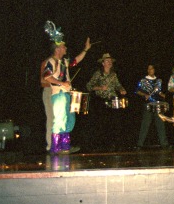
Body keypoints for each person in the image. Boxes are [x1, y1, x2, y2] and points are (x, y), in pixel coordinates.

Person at [41, 21, 92, 154]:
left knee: (70, 120)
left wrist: (86, 49)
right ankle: (56, 148)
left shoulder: (64, 61)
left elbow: (76, 60)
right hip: (58, 93)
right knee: (60, 120)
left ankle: (65, 146)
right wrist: (61, 83)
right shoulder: (51, 61)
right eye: (63, 47)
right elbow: (47, 77)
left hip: (67, 93)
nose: (66, 48)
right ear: (57, 49)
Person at [86, 53, 129, 149]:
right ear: (103, 63)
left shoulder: (113, 75)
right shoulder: (98, 74)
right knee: (102, 123)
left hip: (112, 100)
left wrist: (121, 89)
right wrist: (100, 87)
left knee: (114, 123)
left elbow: (118, 85)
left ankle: (113, 144)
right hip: (101, 101)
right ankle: (101, 145)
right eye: (107, 61)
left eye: (110, 61)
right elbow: (89, 86)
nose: (109, 62)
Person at [135, 64, 169, 149]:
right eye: (149, 69)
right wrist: (145, 95)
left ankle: (164, 144)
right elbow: (137, 91)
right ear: (147, 70)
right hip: (148, 104)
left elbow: (159, 92)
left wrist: (163, 95)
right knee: (145, 124)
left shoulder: (159, 80)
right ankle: (140, 144)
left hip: (158, 104)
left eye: (152, 68)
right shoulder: (143, 81)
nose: (151, 70)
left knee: (160, 123)